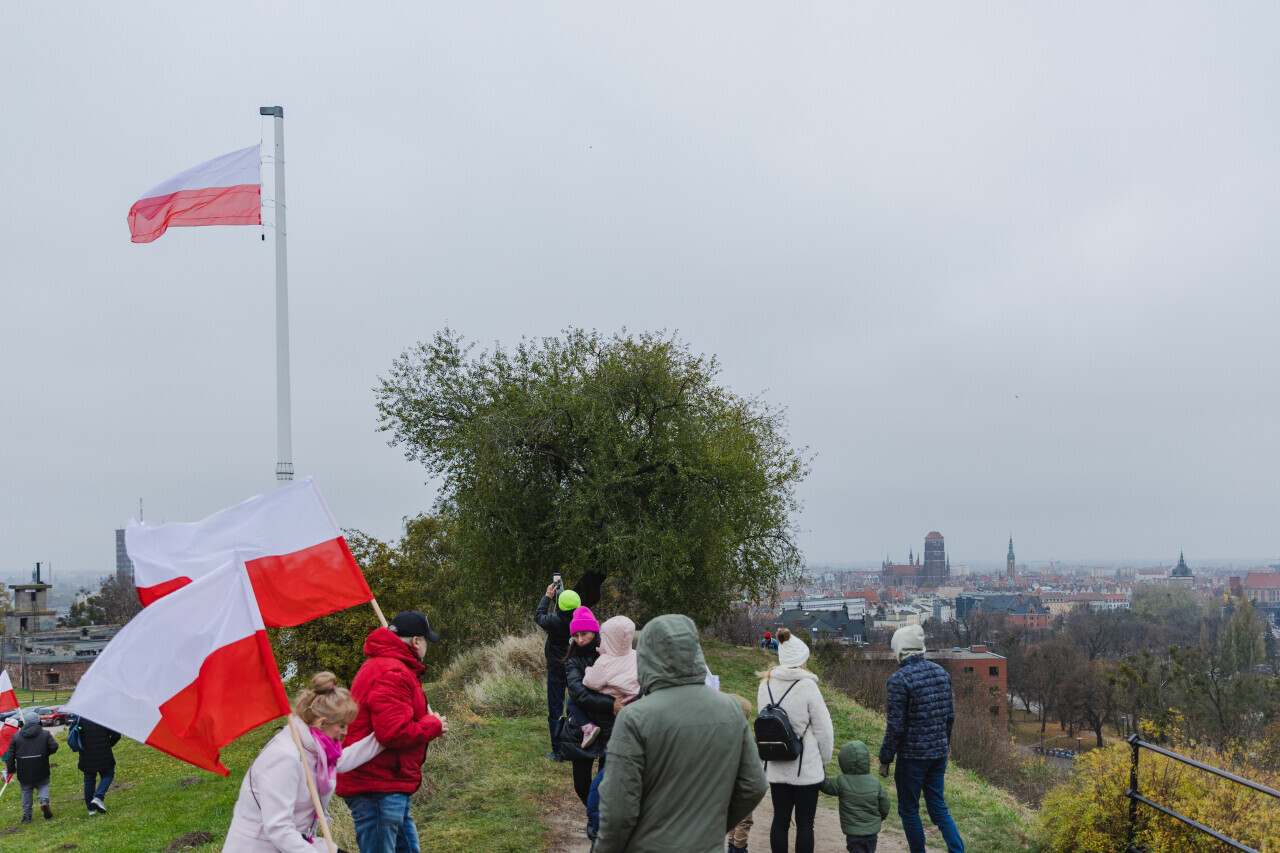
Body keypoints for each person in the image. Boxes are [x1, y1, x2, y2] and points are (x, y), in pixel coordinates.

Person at [594, 614, 768, 853]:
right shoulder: (730, 709)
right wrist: (711, 828)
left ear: (645, 656)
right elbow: (754, 785)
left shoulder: (634, 717)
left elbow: (618, 810)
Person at [225, 672, 382, 851]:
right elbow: (279, 828)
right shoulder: (285, 757)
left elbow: (342, 761)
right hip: (262, 847)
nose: (345, 732)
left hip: (295, 842)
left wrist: (384, 737)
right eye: (342, 725)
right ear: (322, 723)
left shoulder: (315, 746)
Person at [337, 610, 449, 853]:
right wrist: (434, 726)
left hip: (388, 783)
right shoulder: (393, 672)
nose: (426, 646)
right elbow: (392, 732)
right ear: (417, 641)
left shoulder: (392, 666)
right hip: (376, 787)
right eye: (426, 640)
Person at [877, 624, 965, 853]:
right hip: (938, 754)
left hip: (912, 757)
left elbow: (895, 726)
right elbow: (949, 717)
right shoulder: (941, 673)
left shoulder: (899, 680)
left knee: (908, 809)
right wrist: (945, 745)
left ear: (901, 650)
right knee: (938, 808)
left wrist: (885, 758)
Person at [757, 628, 834, 853]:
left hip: (776, 762)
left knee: (779, 820)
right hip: (805, 767)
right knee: (805, 824)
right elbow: (824, 729)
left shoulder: (765, 684)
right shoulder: (808, 686)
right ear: (801, 660)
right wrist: (824, 759)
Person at [819, 740, 891, 853]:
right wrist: (879, 818)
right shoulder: (874, 781)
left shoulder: (841, 781)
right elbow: (885, 803)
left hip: (853, 834)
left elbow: (825, 786)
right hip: (872, 832)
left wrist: (820, 767)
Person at [581, 614, 640, 748]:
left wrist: (588, 670)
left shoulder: (605, 662)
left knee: (571, 702)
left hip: (605, 710)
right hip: (630, 704)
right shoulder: (636, 655)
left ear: (608, 638)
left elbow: (590, 682)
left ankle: (586, 727)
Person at [536, 583, 580, 761]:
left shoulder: (553, 622)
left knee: (555, 710)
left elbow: (538, 616)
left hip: (556, 669)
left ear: (560, 606)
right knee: (576, 707)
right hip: (576, 669)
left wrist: (548, 596)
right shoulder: (580, 623)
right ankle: (575, 745)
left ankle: (558, 751)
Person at [2, 710, 57, 823]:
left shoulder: (16, 737)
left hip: (24, 769)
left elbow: (10, 755)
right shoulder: (45, 733)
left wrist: (11, 769)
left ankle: (27, 816)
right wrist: (45, 752)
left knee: (26, 791)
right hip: (41, 766)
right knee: (43, 785)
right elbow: (54, 747)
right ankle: (44, 802)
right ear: (38, 721)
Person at [724, 692, 758, 853]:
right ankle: (738, 848)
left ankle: (732, 846)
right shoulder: (744, 738)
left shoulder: (722, 733)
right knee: (744, 820)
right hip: (741, 786)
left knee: (734, 817)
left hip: (725, 784)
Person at [73, 715, 121, 815]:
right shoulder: (104, 717)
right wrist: (108, 744)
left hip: (86, 755)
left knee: (89, 779)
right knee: (108, 774)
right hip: (104, 754)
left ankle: (91, 809)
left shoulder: (80, 718)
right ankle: (98, 797)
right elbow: (117, 735)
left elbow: (73, 733)